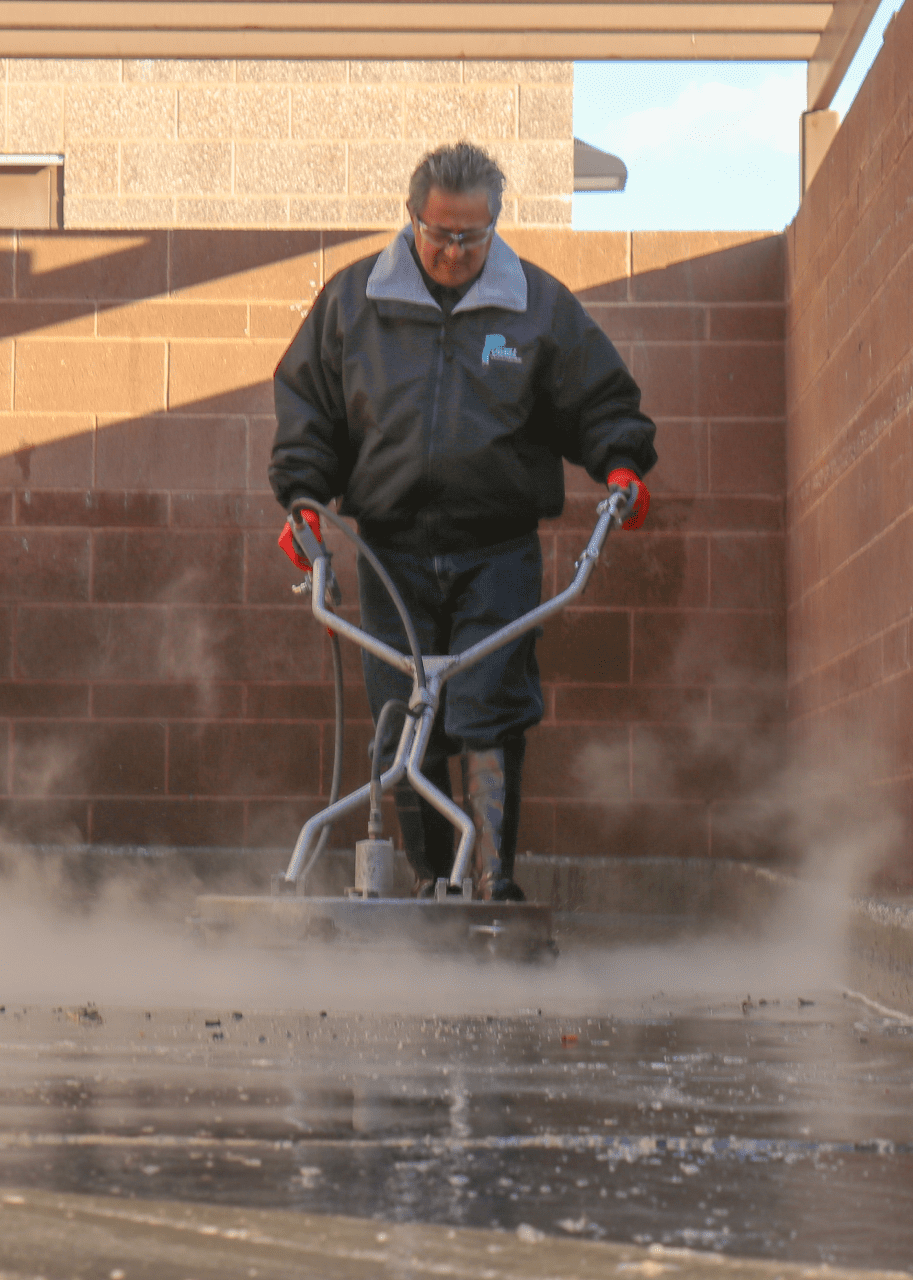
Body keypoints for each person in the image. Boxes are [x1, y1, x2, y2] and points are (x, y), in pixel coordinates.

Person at [268, 141, 656, 902]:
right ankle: (427, 882)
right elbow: (310, 409)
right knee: (401, 717)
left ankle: (492, 883)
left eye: (470, 237)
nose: (452, 251)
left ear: (494, 227)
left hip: (496, 551)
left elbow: (601, 400)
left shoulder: (536, 306)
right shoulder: (355, 302)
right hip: (391, 550)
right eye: (438, 233)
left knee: (488, 710)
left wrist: (621, 466)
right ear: (412, 218)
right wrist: (303, 501)